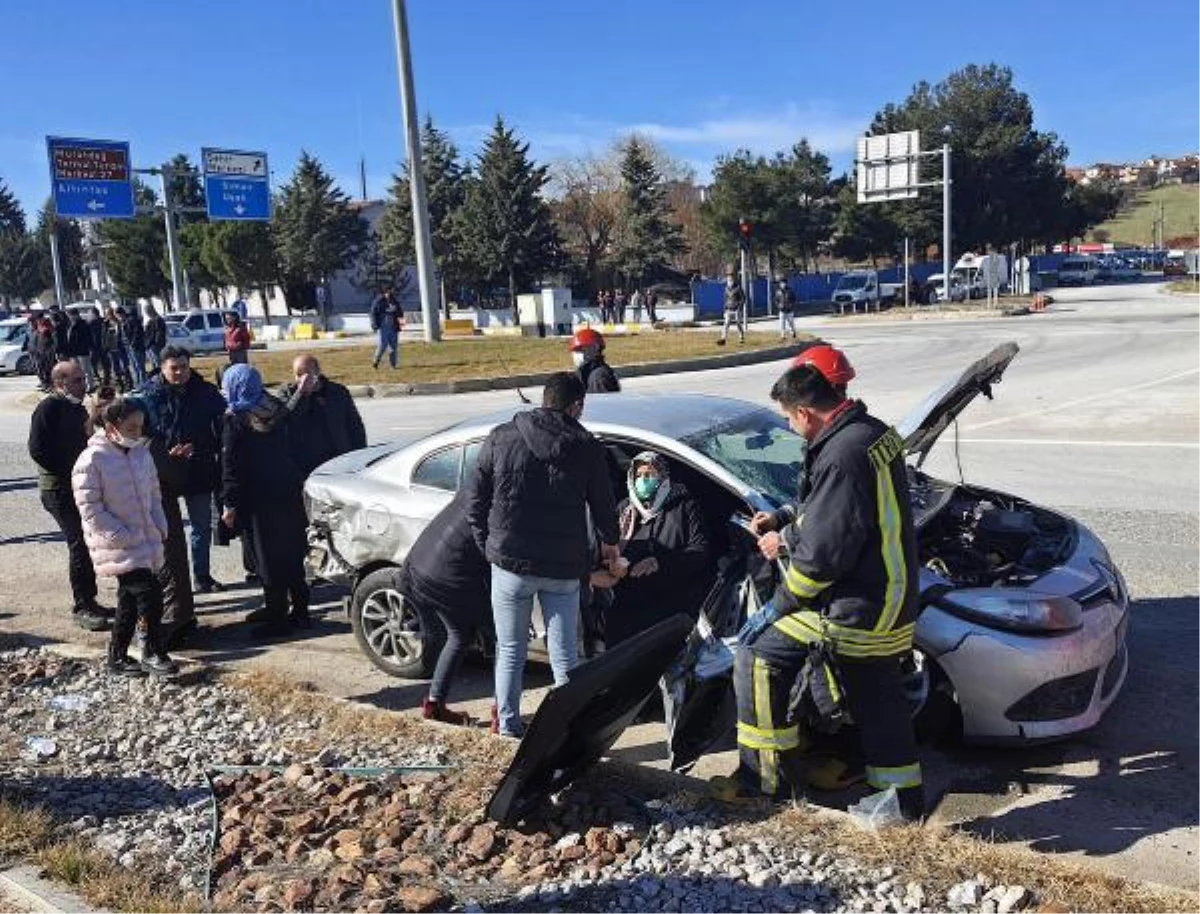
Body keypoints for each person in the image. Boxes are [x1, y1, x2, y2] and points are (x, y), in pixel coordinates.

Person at [716, 365, 923, 820]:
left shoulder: (841, 454)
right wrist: (786, 521)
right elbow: (832, 509)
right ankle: (901, 803)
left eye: (789, 418)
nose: (790, 427)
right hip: (888, 591)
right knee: (878, 701)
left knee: (759, 654)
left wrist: (779, 605)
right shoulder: (869, 432)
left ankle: (765, 782)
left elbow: (822, 559)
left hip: (861, 604)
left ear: (807, 413)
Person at [466, 371, 620, 737]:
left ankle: (507, 726)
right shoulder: (585, 446)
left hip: (509, 563)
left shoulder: (501, 436)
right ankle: (567, 730)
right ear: (576, 406)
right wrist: (611, 546)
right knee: (564, 655)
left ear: (544, 400)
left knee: (510, 649)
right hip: (563, 569)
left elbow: (474, 497)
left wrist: (486, 543)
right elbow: (604, 506)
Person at [72, 398, 177, 677]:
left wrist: (159, 522)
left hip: (146, 538)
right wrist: (121, 535)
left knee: (129, 602)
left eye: (140, 427)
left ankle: (116, 657)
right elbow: (90, 508)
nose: (136, 433)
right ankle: (153, 651)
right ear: (111, 426)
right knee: (150, 596)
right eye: (131, 427)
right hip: (118, 543)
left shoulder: (141, 453)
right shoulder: (92, 459)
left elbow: (154, 492)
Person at [220, 364, 310, 639]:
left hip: (258, 498)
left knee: (266, 557)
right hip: (288, 490)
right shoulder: (274, 407)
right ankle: (300, 611)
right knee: (291, 553)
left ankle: (277, 618)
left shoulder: (237, 418)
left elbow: (231, 466)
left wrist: (229, 504)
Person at [137, 345, 228, 595]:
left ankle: (202, 576)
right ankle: (172, 581)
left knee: (201, 526)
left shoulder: (206, 392)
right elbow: (137, 433)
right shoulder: (147, 395)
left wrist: (203, 447)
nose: (179, 373)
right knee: (165, 531)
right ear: (162, 368)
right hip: (161, 473)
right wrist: (163, 454)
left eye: (184, 367)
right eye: (173, 368)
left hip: (198, 469)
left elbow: (223, 427)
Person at [28, 361, 111, 632]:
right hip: (58, 489)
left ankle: (91, 599)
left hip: (80, 485)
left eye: (83, 378)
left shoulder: (76, 407)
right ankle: (82, 606)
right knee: (78, 543)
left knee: (87, 543)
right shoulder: (48, 408)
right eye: (77, 380)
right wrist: (69, 471)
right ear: (61, 383)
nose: (83, 383)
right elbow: (38, 449)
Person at [395, 490, 490, 725]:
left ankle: (434, 705)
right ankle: (504, 716)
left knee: (460, 636)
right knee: (504, 642)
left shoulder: (476, 485)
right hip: (448, 577)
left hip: (418, 564)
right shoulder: (500, 501)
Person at [604, 451, 709, 646]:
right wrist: (615, 563)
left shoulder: (683, 506)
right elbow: (607, 549)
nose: (643, 480)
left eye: (650, 475)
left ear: (663, 477)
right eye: (638, 475)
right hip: (627, 608)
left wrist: (660, 562)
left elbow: (700, 551)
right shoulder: (625, 510)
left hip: (668, 608)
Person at [279, 354, 367, 477]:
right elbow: (287, 420)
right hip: (306, 465)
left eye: (307, 373)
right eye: (298, 375)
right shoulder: (288, 393)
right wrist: (301, 394)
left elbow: (355, 425)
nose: (303, 379)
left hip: (339, 459)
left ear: (318, 372)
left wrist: (361, 455)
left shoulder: (337, 392)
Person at [569, 327, 620, 394]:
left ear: (595, 348)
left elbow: (604, 403)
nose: (575, 354)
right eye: (575, 351)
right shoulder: (587, 373)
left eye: (579, 350)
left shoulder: (599, 377)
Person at [370, 289, 404, 369]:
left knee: (393, 346)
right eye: (388, 292)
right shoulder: (378, 301)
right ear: (384, 292)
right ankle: (376, 361)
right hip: (383, 326)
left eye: (391, 293)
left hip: (393, 326)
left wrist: (396, 310)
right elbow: (373, 313)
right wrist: (374, 325)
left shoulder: (394, 301)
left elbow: (400, 313)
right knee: (383, 345)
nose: (390, 294)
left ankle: (393, 365)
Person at [65, 310, 96, 390]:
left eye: (70, 315)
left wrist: (90, 348)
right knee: (76, 371)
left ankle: (90, 385)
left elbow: (88, 337)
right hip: (73, 351)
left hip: (82, 350)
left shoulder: (83, 324)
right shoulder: (70, 324)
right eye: (68, 315)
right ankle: (81, 385)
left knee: (86, 369)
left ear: (76, 315)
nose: (69, 317)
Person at [120, 305, 147, 386]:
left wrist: (131, 344)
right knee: (140, 367)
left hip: (131, 347)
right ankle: (142, 385)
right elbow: (138, 334)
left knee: (135, 367)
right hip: (137, 347)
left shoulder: (128, 321)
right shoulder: (137, 321)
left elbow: (131, 334)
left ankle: (138, 385)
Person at [718, 274, 746, 346]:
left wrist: (739, 307)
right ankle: (723, 339)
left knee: (738, 323)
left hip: (736, 310)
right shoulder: (726, 289)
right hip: (728, 310)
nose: (729, 281)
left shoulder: (738, 288)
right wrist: (725, 309)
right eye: (728, 280)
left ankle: (741, 337)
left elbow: (743, 299)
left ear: (733, 280)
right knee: (726, 324)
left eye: (731, 280)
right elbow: (725, 299)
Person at [30, 314, 56, 391]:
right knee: (42, 369)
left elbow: (52, 338)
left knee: (49, 368)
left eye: (38, 319)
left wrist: (52, 350)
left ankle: (51, 385)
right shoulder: (38, 327)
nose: (38, 321)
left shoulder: (47, 326)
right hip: (40, 351)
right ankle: (46, 384)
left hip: (48, 351)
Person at [144, 305, 167, 372]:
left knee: (158, 362)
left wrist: (154, 343)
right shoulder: (152, 320)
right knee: (153, 362)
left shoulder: (158, 319)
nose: (146, 313)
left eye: (147, 311)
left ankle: (160, 375)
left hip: (155, 345)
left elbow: (157, 333)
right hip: (151, 344)